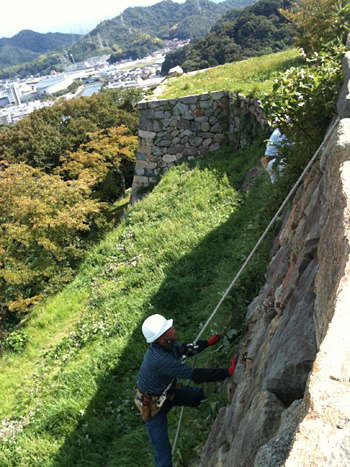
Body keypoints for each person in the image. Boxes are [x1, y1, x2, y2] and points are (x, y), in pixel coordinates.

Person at [135, 314, 238, 467]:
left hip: (169, 394)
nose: (173, 327)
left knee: (199, 396)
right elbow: (195, 375)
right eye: (168, 328)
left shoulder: (168, 346)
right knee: (163, 457)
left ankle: (208, 413)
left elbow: (185, 349)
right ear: (161, 338)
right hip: (153, 407)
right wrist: (227, 372)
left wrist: (207, 343)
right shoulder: (160, 360)